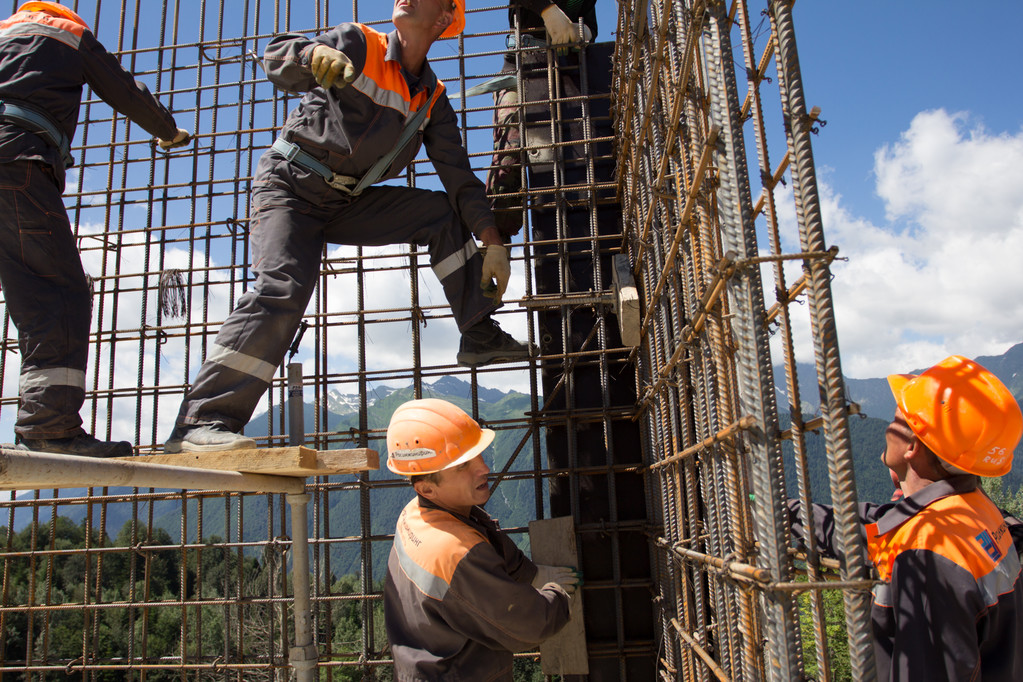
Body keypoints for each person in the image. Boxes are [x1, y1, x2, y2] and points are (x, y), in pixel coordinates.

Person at [164, 0, 532, 454]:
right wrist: (310, 57)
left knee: (439, 212)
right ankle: (201, 423)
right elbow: (277, 56)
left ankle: (478, 333)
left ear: (442, 20)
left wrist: (493, 242)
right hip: (290, 186)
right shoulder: (359, 43)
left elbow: (458, 176)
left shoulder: (432, 101)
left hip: (344, 201)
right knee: (282, 288)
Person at [0, 2, 190, 457]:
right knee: (58, 297)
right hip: (17, 162)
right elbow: (124, 90)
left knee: (30, 299)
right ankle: (48, 427)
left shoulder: (4, 35)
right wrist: (167, 130)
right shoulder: (69, 35)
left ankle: (39, 422)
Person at [789, 355, 1023, 681]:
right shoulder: (973, 508)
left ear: (913, 443)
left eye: (899, 416)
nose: (888, 424)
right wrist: (789, 513)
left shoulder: (929, 558)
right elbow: (880, 525)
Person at [382, 398, 579, 680]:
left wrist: (531, 573)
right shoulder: (454, 552)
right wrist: (559, 596)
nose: (483, 468)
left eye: (478, 455)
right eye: (462, 466)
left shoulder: (415, 513)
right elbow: (528, 626)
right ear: (427, 488)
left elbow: (483, 530)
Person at [487, 1, 599, 239]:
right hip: (521, 65)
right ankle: (496, 240)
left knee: (574, 159)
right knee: (510, 148)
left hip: (567, 71)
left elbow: (591, 27)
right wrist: (548, 10)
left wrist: (582, 32)